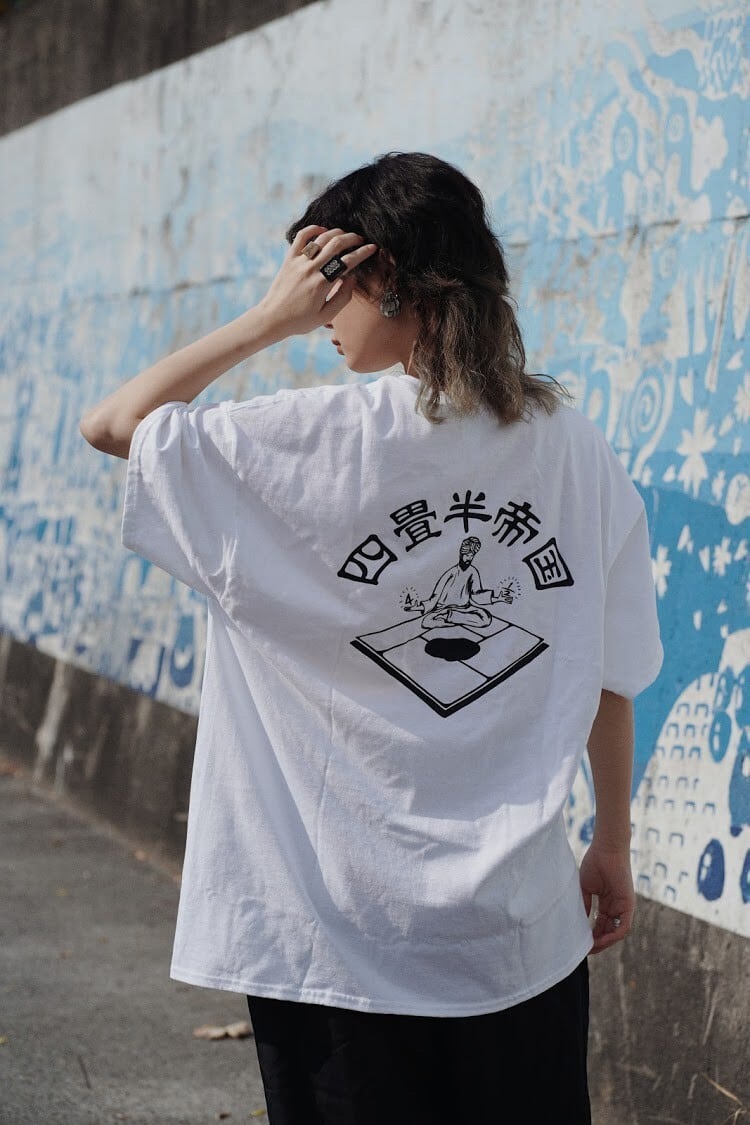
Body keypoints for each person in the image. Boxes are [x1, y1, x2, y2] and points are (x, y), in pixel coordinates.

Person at [80, 151, 663, 1124]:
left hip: (336, 939)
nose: (319, 315)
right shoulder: (574, 446)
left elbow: (115, 423)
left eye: (323, 280)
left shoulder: (304, 441)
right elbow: (610, 667)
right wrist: (612, 842)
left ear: (379, 274)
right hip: (518, 935)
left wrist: (265, 320)